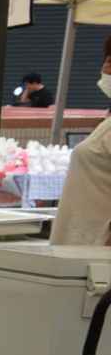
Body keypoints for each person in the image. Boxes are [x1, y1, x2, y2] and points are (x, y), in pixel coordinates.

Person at [52, 36, 111, 245]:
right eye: (107, 60)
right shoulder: (107, 122)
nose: (106, 69)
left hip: (97, 250)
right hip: (81, 246)